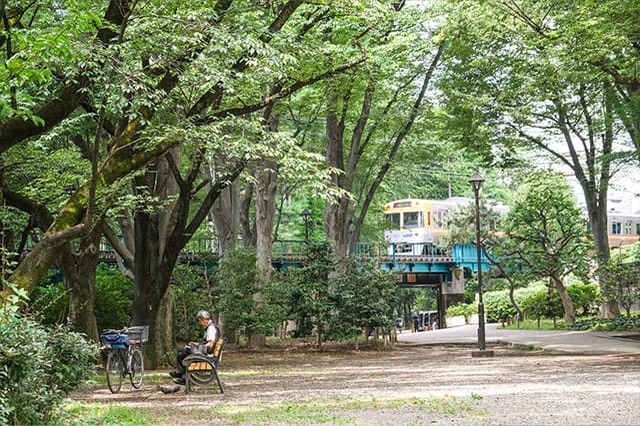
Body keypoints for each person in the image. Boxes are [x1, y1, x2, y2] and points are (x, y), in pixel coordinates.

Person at [170, 309, 219, 385]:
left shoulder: (211, 328)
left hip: (207, 355)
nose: (200, 323)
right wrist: (196, 344)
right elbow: (207, 343)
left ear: (204, 319)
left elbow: (210, 344)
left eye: (200, 321)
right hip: (206, 352)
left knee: (182, 352)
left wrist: (198, 346)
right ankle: (181, 374)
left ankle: (183, 376)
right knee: (183, 351)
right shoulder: (210, 327)